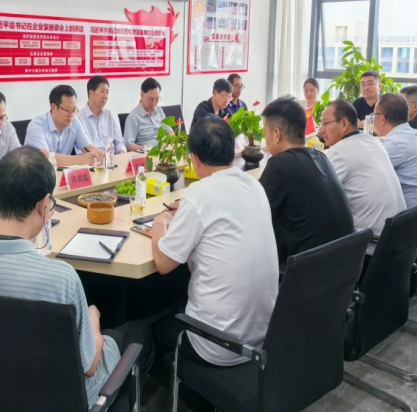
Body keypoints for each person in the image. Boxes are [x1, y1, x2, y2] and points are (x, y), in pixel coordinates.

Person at [0, 146, 154, 410]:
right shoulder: (60, 278)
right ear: (44, 206)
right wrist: (93, 318)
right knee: (139, 334)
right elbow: (90, 366)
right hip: (61, 399)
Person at [150, 116, 277, 368]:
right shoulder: (255, 186)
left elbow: (163, 263)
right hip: (261, 338)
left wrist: (159, 224)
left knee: (150, 330)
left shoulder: (198, 194)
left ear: (194, 159)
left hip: (216, 344)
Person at [258, 97, 354, 264]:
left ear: (276, 134)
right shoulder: (321, 157)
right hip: (345, 266)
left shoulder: (280, 165)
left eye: (266, 133)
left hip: (307, 271)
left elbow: (254, 216)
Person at [320, 100, 405, 236]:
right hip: (398, 235)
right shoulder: (372, 141)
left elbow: (317, 194)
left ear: (344, 124)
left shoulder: (339, 152)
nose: (321, 130)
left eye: (326, 123)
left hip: (371, 242)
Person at [373, 93, 417, 209]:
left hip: (416, 213)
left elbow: (370, 177)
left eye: (374, 114)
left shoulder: (395, 143)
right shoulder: (415, 133)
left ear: (382, 119)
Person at [25, 85, 103, 166]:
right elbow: (45, 158)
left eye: (74, 110)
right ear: (53, 107)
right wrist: (81, 159)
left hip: (63, 172)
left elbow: (88, 148)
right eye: (68, 110)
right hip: (37, 172)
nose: (71, 115)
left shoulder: (75, 122)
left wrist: (104, 156)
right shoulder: (36, 125)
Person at [77, 76, 127, 154]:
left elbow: (119, 142)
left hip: (113, 158)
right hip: (94, 159)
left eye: (107, 92)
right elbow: (81, 151)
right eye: (102, 92)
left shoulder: (108, 115)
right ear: (91, 93)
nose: (105, 96)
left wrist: (121, 153)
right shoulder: (79, 118)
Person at [124, 77, 170, 150]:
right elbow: (129, 145)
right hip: (148, 154)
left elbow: (170, 132)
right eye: (151, 99)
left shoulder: (159, 110)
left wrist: (170, 145)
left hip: (165, 151)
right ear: (142, 95)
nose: (154, 103)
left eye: (157, 99)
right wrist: (147, 149)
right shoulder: (133, 117)